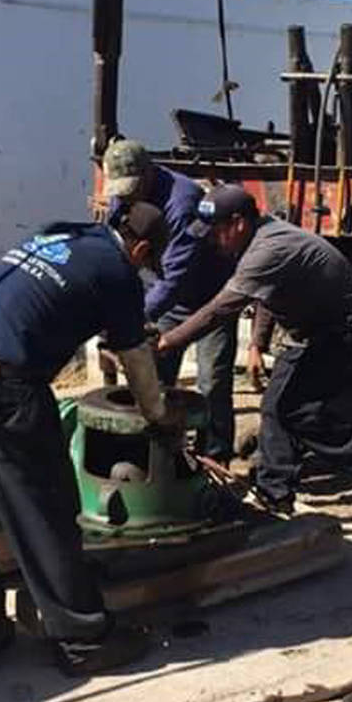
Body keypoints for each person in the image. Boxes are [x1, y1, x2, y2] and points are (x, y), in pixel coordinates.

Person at [0, 203, 175, 677]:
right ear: (141, 248)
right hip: (5, 385)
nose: (144, 272)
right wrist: (160, 416)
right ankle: (83, 640)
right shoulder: (118, 271)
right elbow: (137, 360)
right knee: (44, 508)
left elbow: (62, 305)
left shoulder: (66, 234)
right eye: (148, 263)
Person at [155, 185, 352, 523]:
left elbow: (220, 309)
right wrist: (257, 343)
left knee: (296, 408)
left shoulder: (268, 248)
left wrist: (169, 341)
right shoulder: (259, 239)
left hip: (344, 332)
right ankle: (275, 494)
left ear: (238, 223)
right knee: (274, 406)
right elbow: (268, 293)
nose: (212, 240)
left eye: (216, 232)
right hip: (313, 332)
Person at [103, 139, 237, 462]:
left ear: (149, 173)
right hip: (170, 300)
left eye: (133, 188)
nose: (128, 196)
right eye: (122, 191)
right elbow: (112, 245)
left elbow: (175, 277)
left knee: (212, 384)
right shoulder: (122, 196)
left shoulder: (183, 201)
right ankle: (160, 455)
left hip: (211, 300)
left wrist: (132, 316)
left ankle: (215, 461)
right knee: (155, 380)